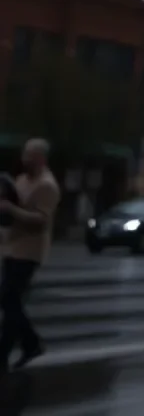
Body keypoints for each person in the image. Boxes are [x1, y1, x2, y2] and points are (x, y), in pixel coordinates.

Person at [0, 139, 61, 373]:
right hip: (12, 247)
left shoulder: (48, 186)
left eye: (30, 156)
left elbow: (41, 221)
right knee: (10, 302)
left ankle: (30, 343)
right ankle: (20, 347)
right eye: (24, 155)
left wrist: (11, 210)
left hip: (30, 252)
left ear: (41, 159)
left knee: (8, 299)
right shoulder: (22, 180)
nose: (25, 160)